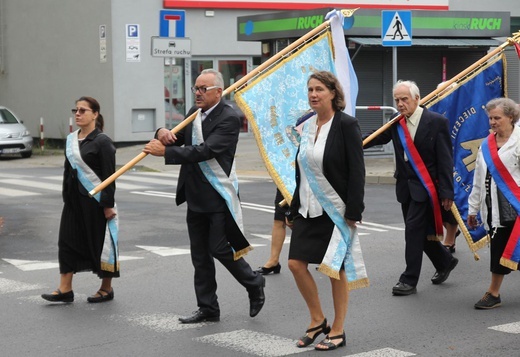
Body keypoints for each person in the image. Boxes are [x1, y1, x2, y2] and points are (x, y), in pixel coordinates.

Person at [143, 69, 265, 323]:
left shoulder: (229, 118)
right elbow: (179, 142)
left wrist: (164, 154)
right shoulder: (193, 114)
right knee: (200, 256)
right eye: (196, 88)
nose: (197, 93)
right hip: (195, 195)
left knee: (220, 249)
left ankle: (253, 282)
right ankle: (208, 308)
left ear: (218, 92)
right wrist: (162, 133)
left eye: (203, 89)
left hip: (218, 194)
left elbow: (205, 151)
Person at [286, 71, 365, 351]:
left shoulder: (346, 125)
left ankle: (339, 330)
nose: (313, 94)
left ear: (333, 93)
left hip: (336, 211)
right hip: (307, 208)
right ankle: (318, 320)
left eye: (319, 89)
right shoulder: (305, 126)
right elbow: (302, 171)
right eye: (310, 90)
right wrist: (293, 207)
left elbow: (357, 171)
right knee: (295, 264)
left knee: (335, 270)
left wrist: (354, 211)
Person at [364, 80, 458, 296]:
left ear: (417, 98)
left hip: (427, 188)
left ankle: (409, 280)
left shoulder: (436, 122)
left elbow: (445, 160)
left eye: (404, 99)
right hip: (405, 187)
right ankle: (445, 261)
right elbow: (376, 136)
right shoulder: (396, 122)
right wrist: (353, 142)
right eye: (397, 100)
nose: (400, 104)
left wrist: (447, 192)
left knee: (413, 232)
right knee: (422, 233)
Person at [42, 96, 119, 303]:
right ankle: (65, 289)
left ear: (95, 114)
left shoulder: (103, 142)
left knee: (99, 244)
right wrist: (66, 196)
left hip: (95, 203)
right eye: (76, 110)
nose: (78, 114)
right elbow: (68, 172)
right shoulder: (71, 140)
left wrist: (108, 205)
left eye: (83, 110)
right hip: (74, 202)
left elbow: (110, 176)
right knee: (67, 242)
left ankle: (106, 288)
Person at [467, 97, 520, 309]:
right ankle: (494, 293)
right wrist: (473, 210)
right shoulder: (486, 145)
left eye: (497, 118)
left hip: (515, 207)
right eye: (490, 118)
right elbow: (478, 180)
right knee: (499, 249)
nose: (492, 122)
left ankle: (493, 292)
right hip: (493, 209)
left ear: (510, 117)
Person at [256, 188, 287, 275]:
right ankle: (274, 261)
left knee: (307, 221)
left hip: (308, 183)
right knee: (279, 219)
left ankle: (325, 258)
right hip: (285, 181)